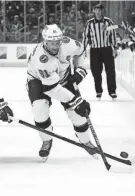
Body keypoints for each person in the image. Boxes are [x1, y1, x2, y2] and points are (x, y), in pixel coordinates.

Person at [27, 24, 97, 161]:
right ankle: (47, 140)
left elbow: (81, 51)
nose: (55, 46)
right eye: (52, 43)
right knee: (40, 110)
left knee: (79, 115)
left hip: (63, 77)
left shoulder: (68, 44)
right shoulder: (41, 59)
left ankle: (85, 141)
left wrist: (80, 69)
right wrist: (76, 101)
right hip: (38, 82)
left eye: (57, 42)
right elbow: (52, 89)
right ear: (45, 42)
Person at [82, 3, 118, 100]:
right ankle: (98, 91)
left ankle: (112, 91)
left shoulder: (109, 22)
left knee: (110, 71)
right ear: (94, 10)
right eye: (96, 10)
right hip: (94, 50)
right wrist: (83, 49)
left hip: (106, 49)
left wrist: (115, 48)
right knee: (96, 72)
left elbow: (113, 35)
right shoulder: (89, 23)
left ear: (102, 11)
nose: (98, 12)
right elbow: (86, 37)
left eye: (100, 10)